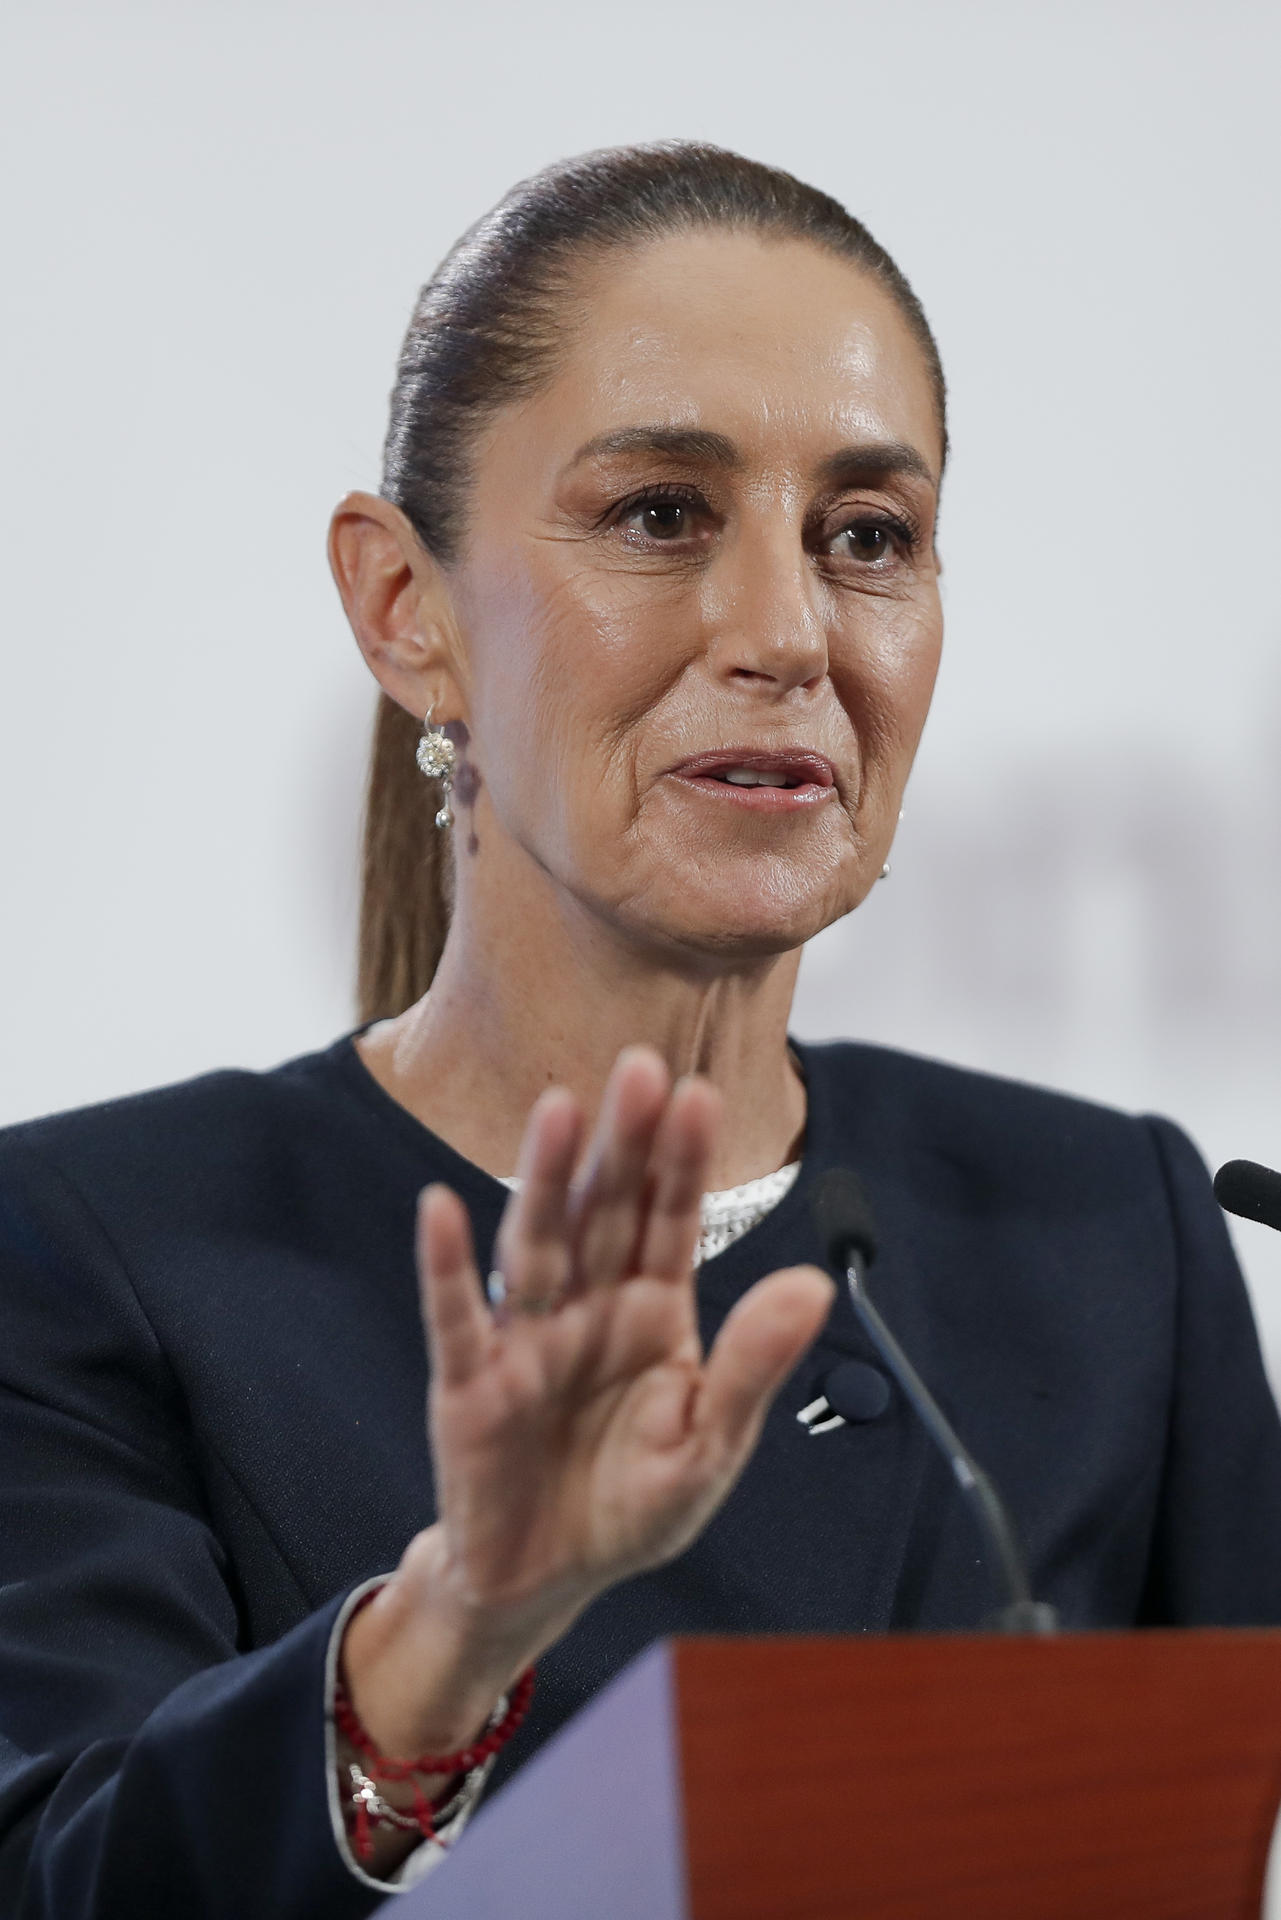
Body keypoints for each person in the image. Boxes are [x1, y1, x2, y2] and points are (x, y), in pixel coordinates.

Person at [3, 141, 1280, 1919]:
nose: (787, 631)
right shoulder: (90, 1251)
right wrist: (450, 1636)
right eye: (661, 514)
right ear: (404, 609)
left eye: (866, 538)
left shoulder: (1108, 1234)